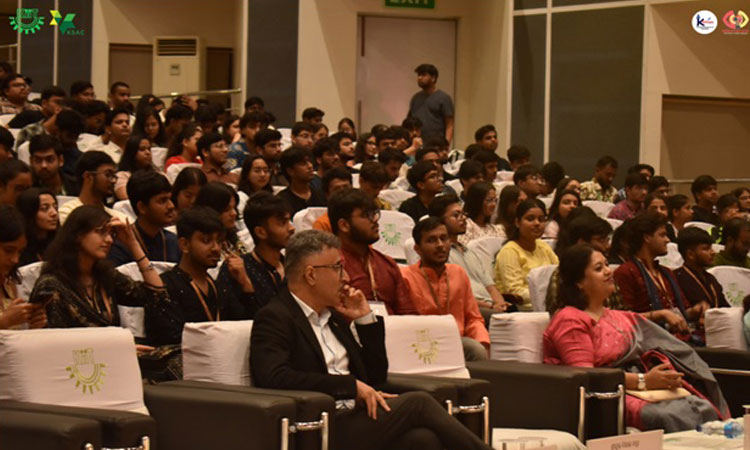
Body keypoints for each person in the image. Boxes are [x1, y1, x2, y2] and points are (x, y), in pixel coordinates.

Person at [250, 229, 491, 450]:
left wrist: (364, 319)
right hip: (321, 423)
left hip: (356, 416)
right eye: (337, 268)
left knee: (422, 440)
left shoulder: (334, 318)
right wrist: (350, 387)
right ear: (311, 275)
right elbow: (274, 376)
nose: (346, 277)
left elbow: (375, 377)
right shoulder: (275, 317)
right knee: (418, 402)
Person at [543, 244, 729, 432]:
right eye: (598, 269)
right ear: (579, 282)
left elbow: (667, 345)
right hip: (604, 396)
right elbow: (585, 377)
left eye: (606, 264)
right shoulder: (570, 320)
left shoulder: (616, 316)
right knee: (666, 415)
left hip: (637, 386)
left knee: (701, 406)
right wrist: (644, 380)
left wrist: (667, 375)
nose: (608, 271)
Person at [30, 205, 166, 329]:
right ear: (77, 235)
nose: (109, 240)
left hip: (114, 346)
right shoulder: (50, 286)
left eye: (111, 234)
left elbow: (157, 296)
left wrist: (133, 244)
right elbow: (52, 339)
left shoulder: (105, 275)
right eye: (101, 232)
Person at [147, 207, 245, 345]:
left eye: (219, 241)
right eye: (206, 240)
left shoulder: (217, 287)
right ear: (184, 244)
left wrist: (245, 283)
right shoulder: (164, 287)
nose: (216, 248)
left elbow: (244, 328)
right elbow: (168, 340)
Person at [401, 217, 490, 361]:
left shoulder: (458, 273)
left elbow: (473, 318)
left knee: (478, 347)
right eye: (431, 240)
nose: (440, 245)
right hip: (422, 342)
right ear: (418, 249)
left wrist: (482, 342)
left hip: (458, 340)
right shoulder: (405, 277)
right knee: (474, 349)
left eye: (444, 238)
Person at [329, 189, 417, 316]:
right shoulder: (328, 266)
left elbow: (408, 314)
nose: (375, 219)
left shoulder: (387, 264)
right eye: (366, 215)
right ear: (344, 225)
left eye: (374, 213)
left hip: (392, 327)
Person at [429, 195, 510, 323]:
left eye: (463, 214)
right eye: (456, 215)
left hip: (490, 306)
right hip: (468, 308)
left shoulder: (470, 251)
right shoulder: (440, 255)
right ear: (440, 221)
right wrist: (491, 306)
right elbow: (453, 296)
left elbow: (490, 285)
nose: (463, 218)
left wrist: (500, 303)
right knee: (506, 321)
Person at [613, 212, 691, 340]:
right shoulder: (625, 272)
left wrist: (698, 310)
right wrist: (660, 314)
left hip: (678, 338)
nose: (668, 240)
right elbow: (622, 318)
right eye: (662, 235)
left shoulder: (666, 272)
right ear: (647, 238)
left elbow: (684, 310)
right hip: (648, 341)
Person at [218, 192, 293, 318]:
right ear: (261, 232)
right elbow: (233, 321)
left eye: (289, 221)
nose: (291, 228)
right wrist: (246, 285)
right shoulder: (235, 269)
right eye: (282, 223)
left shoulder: (294, 266)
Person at [494, 199, 558, 311]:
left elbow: (559, 274)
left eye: (541, 219)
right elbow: (515, 291)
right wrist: (547, 297)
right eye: (530, 219)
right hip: (524, 308)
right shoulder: (509, 251)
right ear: (517, 222)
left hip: (550, 303)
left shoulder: (543, 246)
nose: (537, 223)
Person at [546, 215, 616, 313]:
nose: (607, 246)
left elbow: (620, 308)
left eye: (607, 240)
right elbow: (556, 312)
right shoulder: (564, 274)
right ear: (582, 243)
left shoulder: (607, 277)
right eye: (601, 240)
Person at [108, 171, 179, 266]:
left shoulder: (174, 242)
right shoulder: (120, 245)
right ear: (142, 207)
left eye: (170, 199)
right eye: (163, 200)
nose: (171, 206)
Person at [674, 227, 730, 341]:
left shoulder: (710, 278)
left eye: (711, 248)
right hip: (692, 337)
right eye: (706, 249)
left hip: (718, 331)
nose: (713, 252)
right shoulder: (676, 278)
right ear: (690, 254)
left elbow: (725, 308)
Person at [0, 206, 47, 329]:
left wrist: (32, 326)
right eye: (8, 250)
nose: (15, 259)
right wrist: (3, 322)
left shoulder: (9, 283)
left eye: (20, 252)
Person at [58, 151, 128, 224]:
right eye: (108, 175)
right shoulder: (67, 213)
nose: (113, 181)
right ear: (88, 176)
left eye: (114, 176)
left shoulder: (120, 217)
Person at [195, 182, 247, 258]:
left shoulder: (232, 237)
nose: (234, 213)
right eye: (227, 209)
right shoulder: (199, 242)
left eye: (234, 207)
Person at [407, 64, 454, 142]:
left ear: (433, 78)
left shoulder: (443, 98)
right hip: (417, 142)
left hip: (436, 143)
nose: (419, 78)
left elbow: (449, 125)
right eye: (419, 75)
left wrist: (446, 144)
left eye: (423, 75)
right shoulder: (415, 98)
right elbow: (410, 122)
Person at [277, 146, 326, 215]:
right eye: (303, 163)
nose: (310, 166)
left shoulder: (321, 194)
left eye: (309, 161)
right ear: (290, 171)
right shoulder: (281, 201)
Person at [16, 188, 58, 266]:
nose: (54, 213)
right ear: (30, 212)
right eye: (44, 208)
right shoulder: (20, 246)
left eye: (55, 207)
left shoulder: (60, 243)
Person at [311, 167, 353, 233]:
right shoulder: (322, 224)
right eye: (337, 190)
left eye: (346, 188)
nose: (343, 193)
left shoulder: (363, 217)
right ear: (327, 195)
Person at [115, 135, 156, 200]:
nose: (148, 153)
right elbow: (125, 197)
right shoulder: (122, 176)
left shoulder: (157, 173)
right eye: (142, 149)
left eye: (149, 149)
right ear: (132, 152)